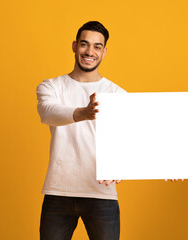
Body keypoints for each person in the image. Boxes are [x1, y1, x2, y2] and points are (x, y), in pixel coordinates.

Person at [36, 21, 126, 240]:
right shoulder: (51, 86)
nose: (90, 52)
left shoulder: (117, 94)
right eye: (85, 44)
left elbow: (128, 140)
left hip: (101, 194)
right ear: (75, 46)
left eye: (97, 47)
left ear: (104, 52)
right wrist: (82, 113)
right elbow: (48, 112)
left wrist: (122, 165)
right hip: (59, 192)